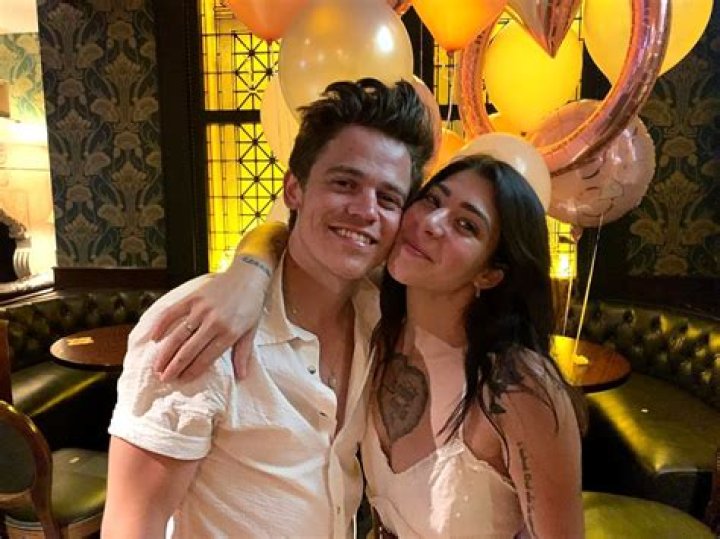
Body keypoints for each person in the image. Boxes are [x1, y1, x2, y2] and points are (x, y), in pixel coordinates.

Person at [150, 154, 586, 537]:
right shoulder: (374, 322)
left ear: (490, 274)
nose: (432, 223)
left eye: (466, 225)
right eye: (432, 201)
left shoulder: (517, 388)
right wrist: (249, 271)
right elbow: (291, 234)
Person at [101, 78, 435, 538]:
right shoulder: (202, 325)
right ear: (294, 188)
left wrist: (253, 262)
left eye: (389, 198)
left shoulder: (378, 320)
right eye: (345, 183)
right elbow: (132, 525)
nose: (366, 210)